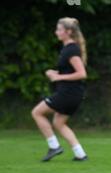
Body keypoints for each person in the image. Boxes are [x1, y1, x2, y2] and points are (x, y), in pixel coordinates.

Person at [31, 17, 88, 162]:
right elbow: (70, 72)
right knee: (58, 123)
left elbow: (82, 73)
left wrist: (58, 78)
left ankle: (54, 146)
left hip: (68, 93)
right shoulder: (68, 48)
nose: (56, 32)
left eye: (59, 29)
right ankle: (80, 154)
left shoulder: (71, 50)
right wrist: (55, 73)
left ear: (68, 32)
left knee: (37, 113)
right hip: (73, 93)